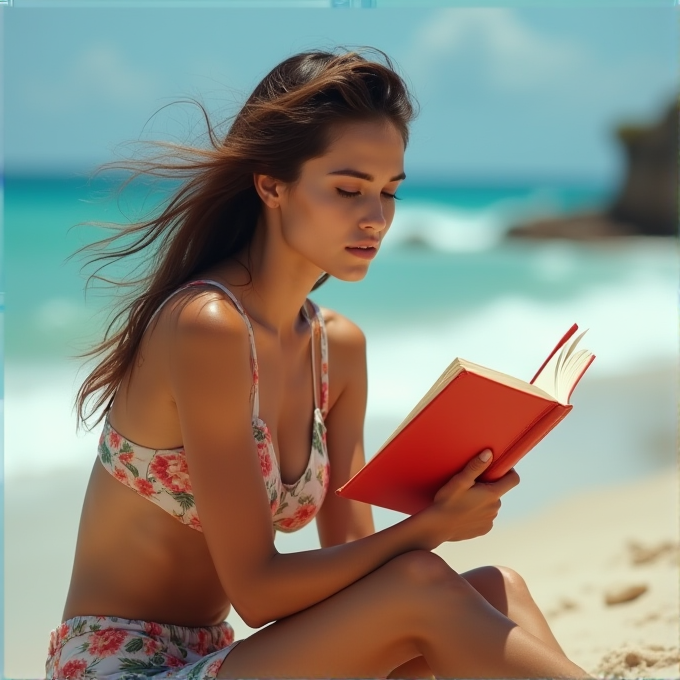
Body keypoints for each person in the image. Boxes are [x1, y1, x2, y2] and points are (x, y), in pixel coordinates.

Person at [46, 49, 589, 679]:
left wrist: (455, 491)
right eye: (348, 189)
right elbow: (258, 594)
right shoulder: (207, 328)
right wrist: (432, 527)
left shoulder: (338, 347)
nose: (376, 218)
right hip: (127, 671)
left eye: (389, 192)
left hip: (225, 662)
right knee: (422, 581)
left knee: (500, 589)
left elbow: (356, 559)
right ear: (271, 184)